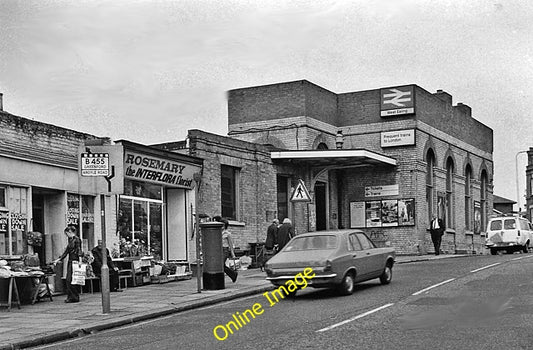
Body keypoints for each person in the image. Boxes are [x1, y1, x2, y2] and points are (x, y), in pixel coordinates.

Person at [53, 225, 82, 303]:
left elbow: (79, 250)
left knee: (71, 280)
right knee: (69, 279)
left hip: (74, 261)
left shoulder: (77, 240)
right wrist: (59, 259)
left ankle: (73, 296)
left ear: (70, 232)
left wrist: (80, 260)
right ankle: (72, 296)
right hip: (71, 261)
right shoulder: (71, 240)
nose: (66, 235)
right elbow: (67, 251)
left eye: (67, 233)